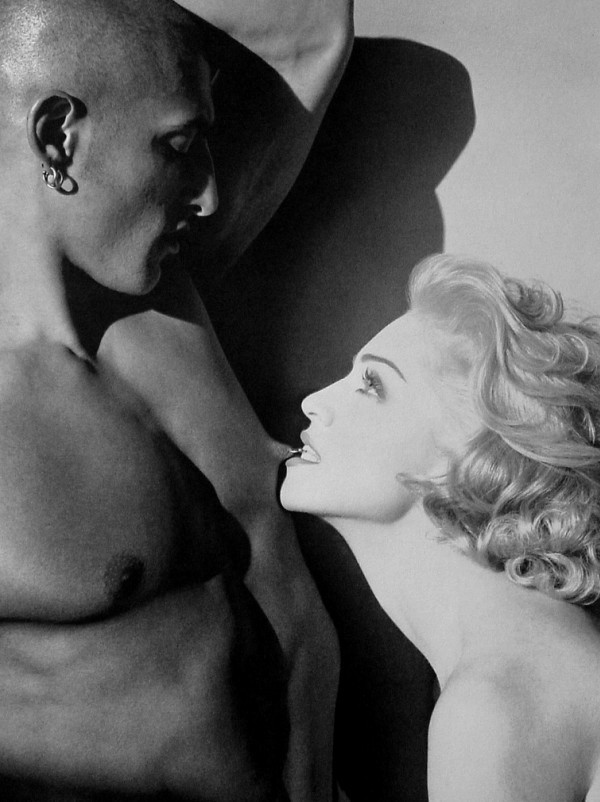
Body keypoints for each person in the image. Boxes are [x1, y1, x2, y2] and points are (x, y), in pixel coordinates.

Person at [0, 0, 352, 798]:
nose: (210, 197)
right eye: (180, 147)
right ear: (57, 138)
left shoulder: (163, 303)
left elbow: (313, 22)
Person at [281, 253, 600, 801]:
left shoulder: (491, 703)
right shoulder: (535, 651)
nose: (314, 402)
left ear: (470, 451)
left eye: (371, 384)